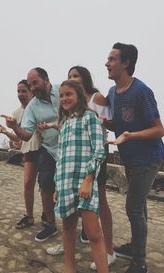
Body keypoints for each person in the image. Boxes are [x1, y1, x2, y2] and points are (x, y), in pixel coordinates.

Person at [47, 66, 117, 270]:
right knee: (68, 230)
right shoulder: (65, 123)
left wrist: (88, 180)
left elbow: (99, 151)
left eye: (68, 94)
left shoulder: (90, 118)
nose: (64, 99)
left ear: (79, 94)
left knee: (94, 233)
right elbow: (60, 159)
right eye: (61, 96)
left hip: (85, 185)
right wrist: (57, 187)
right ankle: (70, 268)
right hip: (65, 184)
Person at [105, 43, 164, 273]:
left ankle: (139, 263)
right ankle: (135, 247)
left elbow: (159, 129)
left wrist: (131, 135)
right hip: (129, 158)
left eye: (112, 59)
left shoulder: (141, 91)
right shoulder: (112, 93)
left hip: (148, 157)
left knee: (133, 208)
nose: (106, 63)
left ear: (126, 63)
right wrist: (103, 121)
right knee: (140, 206)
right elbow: (117, 123)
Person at [3, 67, 60, 242]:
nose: (33, 87)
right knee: (44, 182)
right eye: (30, 85)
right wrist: (13, 128)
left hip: (70, 145)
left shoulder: (62, 91)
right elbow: (26, 135)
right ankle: (50, 223)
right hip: (49, 148)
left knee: (73, 187)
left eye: (35, 83)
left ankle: (86, 227)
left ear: (46, 79)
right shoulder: (32, 107)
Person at [0, 80, 42, 229]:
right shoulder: (16, 113)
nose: (20, 94)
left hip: (44, 148)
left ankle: (49, 216)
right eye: (18, 92)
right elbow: (19, 138)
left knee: (47, 185)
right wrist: (7, 132)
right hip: (29, 150)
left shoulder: (39, 106)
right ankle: (29, 216)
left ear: (31, 92)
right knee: (28, 184)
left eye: (23, 91)